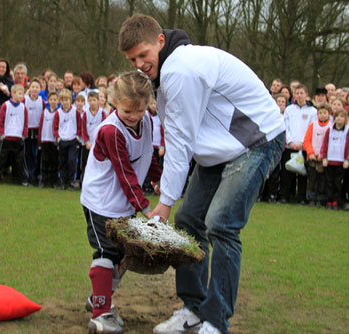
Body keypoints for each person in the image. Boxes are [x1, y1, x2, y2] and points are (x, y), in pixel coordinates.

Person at [118, 14, 285, 334]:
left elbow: (180, 142)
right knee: (189, 221)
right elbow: (180, 137)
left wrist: (164, 203)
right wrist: (165, 187)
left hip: (257, 142)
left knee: (222, 225)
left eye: (143, 54)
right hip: (221, 150)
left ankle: (216, 320)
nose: (139, 63)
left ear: (160, 42)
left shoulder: (181, 70)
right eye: (132, 59)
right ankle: (193, 308)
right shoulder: (166, 72)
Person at [80, 71, 162, 334]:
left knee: (126, 254)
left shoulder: (147, 120)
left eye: (140, 109)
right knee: (106, 253)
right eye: (128, 110)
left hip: (124, 203)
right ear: (114, 101)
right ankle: (100, 314)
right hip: (101, 202)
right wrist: (145, 207)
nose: (135, 115)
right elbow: (124, 173)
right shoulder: (110, 131)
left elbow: (148, 154)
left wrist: (158, 179)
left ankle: (99, 295)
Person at [280, 84, 317, 204]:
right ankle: (285, 196)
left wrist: (302, 143)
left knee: (302, 174)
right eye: (297, 93)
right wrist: (290, 141)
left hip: (304, 146)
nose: (299, 96)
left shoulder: (312, 111)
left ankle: (301, 197)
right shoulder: (289, 110)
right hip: (290, 146)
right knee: (287, 173)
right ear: (294, 95)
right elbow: (286, 127)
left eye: (302, 93)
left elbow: (311, 128)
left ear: (306, 95)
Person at [0, 84, 28, 185]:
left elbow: (25, 122)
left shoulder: (23, 107)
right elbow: (0, 120)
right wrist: (1, 134)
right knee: (1, 159)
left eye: (22, 94)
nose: (21, 96)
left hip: (18, 137)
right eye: (19, 94)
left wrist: (24, 134)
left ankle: (21, 180)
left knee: (20, 160)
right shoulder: (6, 105)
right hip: (6, 137)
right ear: (13, 94)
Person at [303, 103, 331, 206]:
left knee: (322, 179)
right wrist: (310, 153)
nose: (322, 115)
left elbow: (330, 143)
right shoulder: (313, 125)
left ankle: (320, 198)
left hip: (324, 158)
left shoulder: (331, 126)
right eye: (320, 113)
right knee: (312, 179)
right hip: (312, 157)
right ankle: (311, 198)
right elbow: (307, 141)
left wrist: (323, 155)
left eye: (325, 113)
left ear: (329, 114)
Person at [321, 109, 349, 210]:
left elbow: (347, 146)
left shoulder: (347, 131)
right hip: (330, 160)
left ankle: (336, 201)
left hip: (341, 161)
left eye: (342, 116)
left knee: (338, 183)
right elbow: (325, 144)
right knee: (329, 182)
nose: (339, 119)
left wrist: (347, 159)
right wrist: (324, 157)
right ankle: (329, 201)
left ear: (345, 119)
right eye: (337, 116)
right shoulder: (330, 130)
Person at [53, 89, 81, 190]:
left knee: (71, 161)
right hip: (62, 140)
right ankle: (63, 181)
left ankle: (71, 182)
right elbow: (55, 127)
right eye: (63, 100)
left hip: (73, 140)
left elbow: (79, 125)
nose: (65, 102)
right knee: (62, 161)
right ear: (60, 101)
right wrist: (58, 138)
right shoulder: (58, 113)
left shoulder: (76, 112)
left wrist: (77, 136)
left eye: (67, 100)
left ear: (70, 100)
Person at [23, 78, 46, 185]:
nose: (34, 89)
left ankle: (35, 176)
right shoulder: (24, 100)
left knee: (36, 154)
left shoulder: (41, 101)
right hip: (27, 130)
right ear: (29, 88)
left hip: (37, 130)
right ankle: (27, 176)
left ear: (40, 89)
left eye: (37, 87)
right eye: (33, 87)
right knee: (27, 154)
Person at [80, 91, 106, 184]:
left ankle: (96, 182)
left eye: (94, 100)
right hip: (88, 144)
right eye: (90, 100)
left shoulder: (102, 113)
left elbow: (103, 128)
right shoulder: (85, 114)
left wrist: (99, 142)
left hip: (98, 144)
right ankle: (83, 182)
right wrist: (87, 142)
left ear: (98, 101)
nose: (92, 102)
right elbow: (83, 129)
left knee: (97, 164)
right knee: (85, 163)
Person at [38, 91, 59, 188]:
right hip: (45, 139)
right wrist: (40, 140)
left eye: (55, 99)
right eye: (51, 99)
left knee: (54, 161)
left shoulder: (59, 112)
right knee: (44, 161)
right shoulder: (45, 111)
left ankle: (53, 181)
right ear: (48, 100)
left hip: (53, 140)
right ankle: (44, 180)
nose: (53, 101)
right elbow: (41, 126)